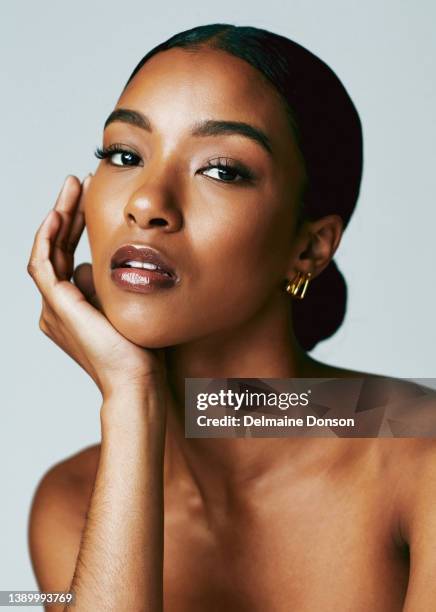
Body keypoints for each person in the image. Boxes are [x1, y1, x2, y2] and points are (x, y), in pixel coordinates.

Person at [26, 23, 436, 611]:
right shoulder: (71, 501)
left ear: (310, 248)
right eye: (125, 155)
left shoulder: (422, 456)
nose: (146, 202)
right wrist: (131, 402)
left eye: (222, 170)